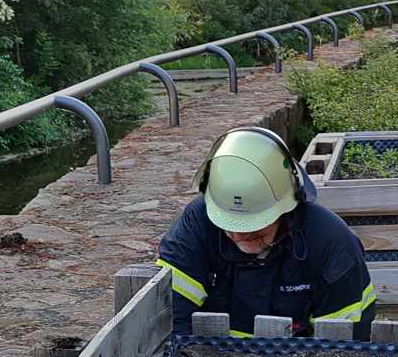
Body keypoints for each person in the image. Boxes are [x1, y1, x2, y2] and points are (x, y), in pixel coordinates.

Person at [157, 125, 376, 339]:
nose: (239, 236)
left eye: (254, 229)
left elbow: (344, 345)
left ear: (287, 208)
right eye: (229, 226)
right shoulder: (197, 224)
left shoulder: (331, 244)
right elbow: (171, 313)